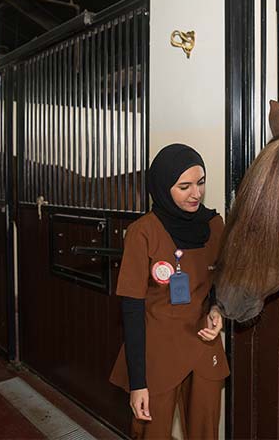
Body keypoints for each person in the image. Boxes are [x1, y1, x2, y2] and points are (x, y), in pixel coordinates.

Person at [110, 144, 229, 439]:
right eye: (184, 186)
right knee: (153, 434)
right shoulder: (143, 232)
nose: (196, 194)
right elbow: (132, 309)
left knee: (206, 432)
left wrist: (217, 310)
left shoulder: (214, 226)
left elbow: (218, 282)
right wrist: (138, 382)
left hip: (203, 346)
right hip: (157, 354)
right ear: (163, 188)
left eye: (201, 182)